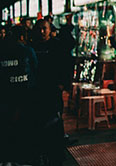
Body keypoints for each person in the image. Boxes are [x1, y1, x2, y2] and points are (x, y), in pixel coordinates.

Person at [32, 19, 71, 165]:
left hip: (53, 90)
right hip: (37, 92)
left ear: (49, 30)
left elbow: (66, 64)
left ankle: (56, 154)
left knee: (55, 121)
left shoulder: (57, 45)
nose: (42, 32)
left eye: (44, 29)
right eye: (39, 29)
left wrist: (63, 84)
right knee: (39, 122)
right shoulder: (33, 47)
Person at [0, 25, 38, 165]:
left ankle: (7, 159)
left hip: (6, 97)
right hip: (26, 95)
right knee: (24, 128)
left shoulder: (2, 51)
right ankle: (23, 159)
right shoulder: (28, 51)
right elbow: (35, 69)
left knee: (7, 127)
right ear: (22, 37)